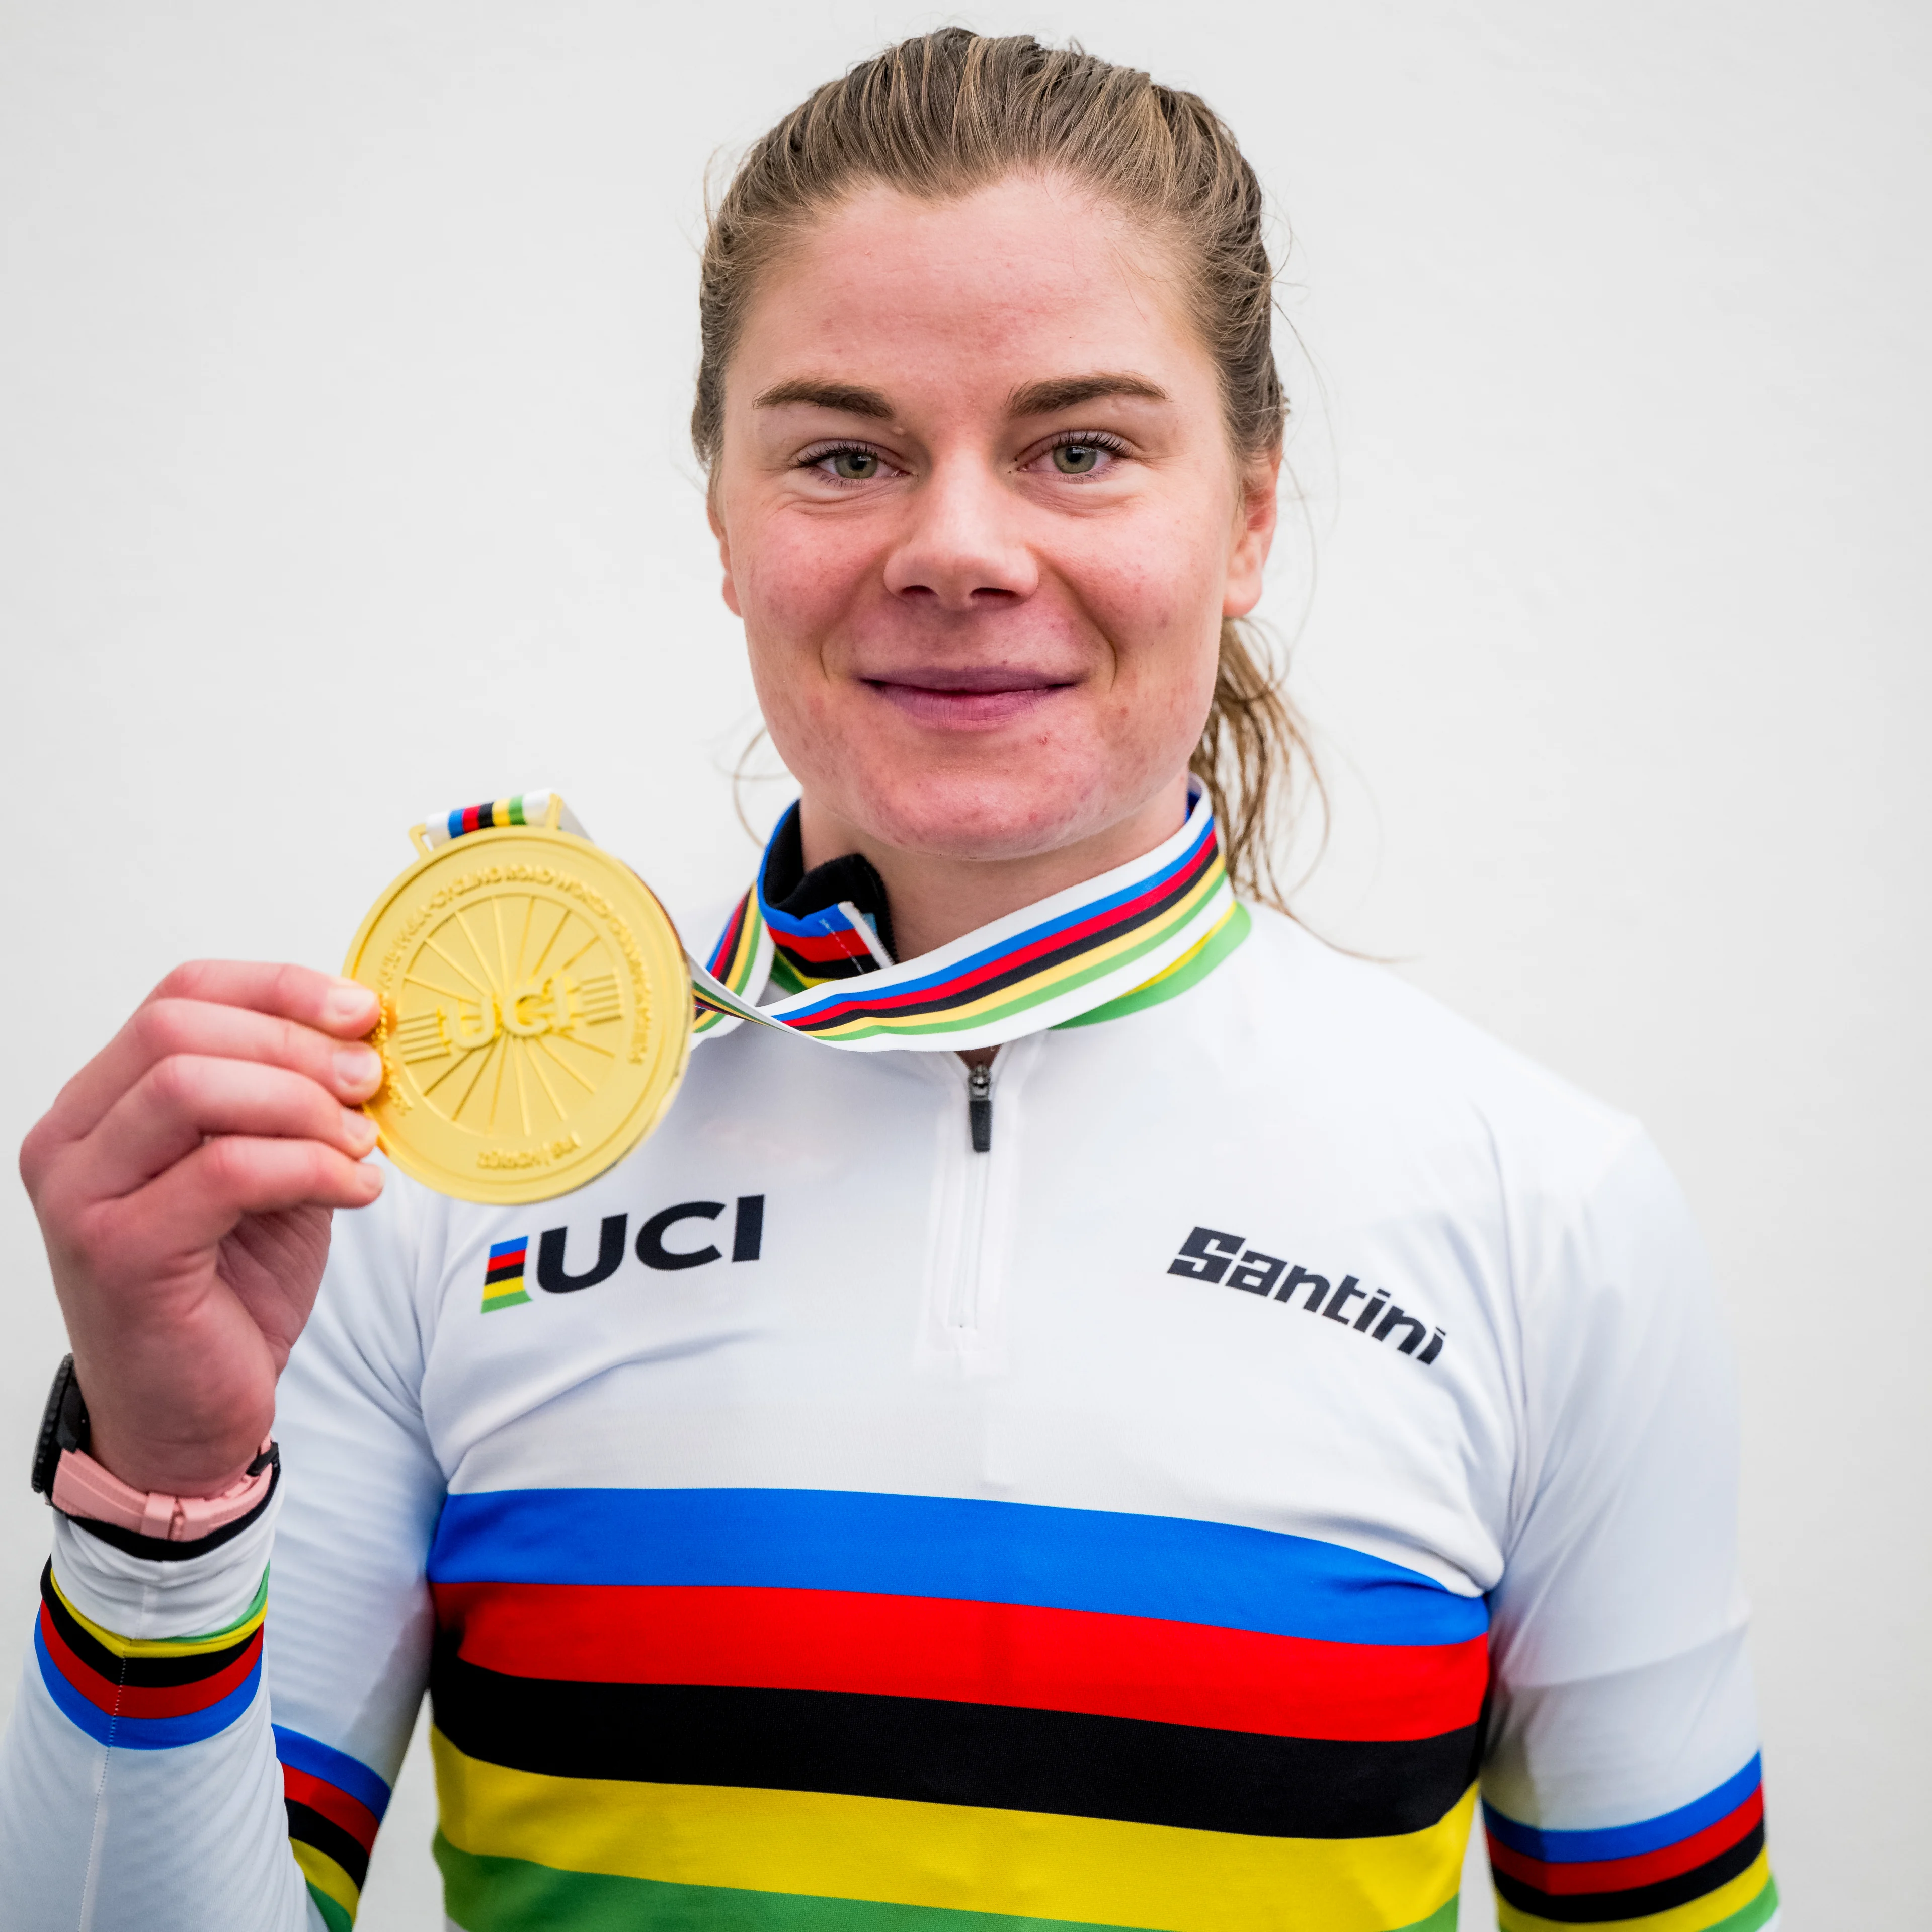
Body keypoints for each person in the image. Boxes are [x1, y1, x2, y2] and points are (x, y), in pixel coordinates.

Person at [2, 29, 1777, 1932]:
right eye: (845, 454)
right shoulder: (421, 1185)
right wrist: (162, 1498)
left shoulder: (1546, 1208)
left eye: (1081, 448)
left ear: (1251, 511)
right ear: (721, 520)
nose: (956, 548)